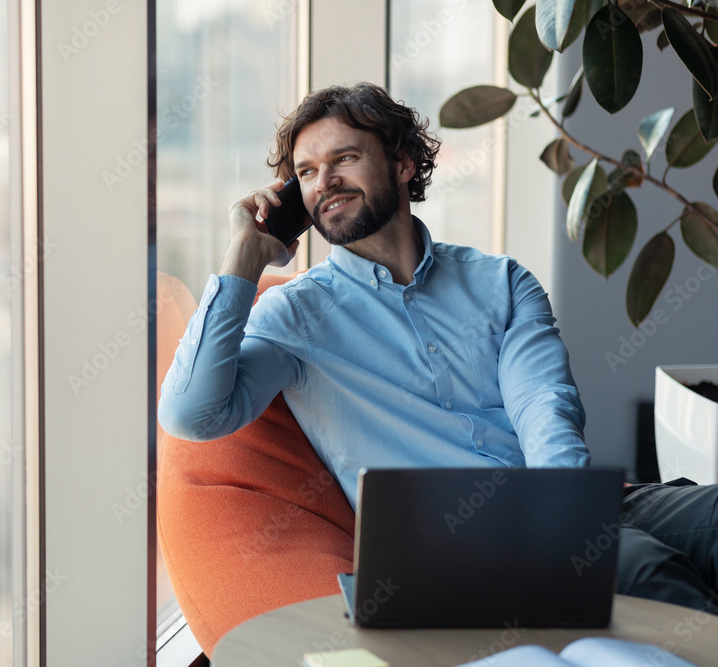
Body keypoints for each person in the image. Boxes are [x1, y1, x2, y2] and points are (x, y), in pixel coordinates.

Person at [158, 82, 718, 614]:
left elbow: (543, 404)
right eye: (306, 172)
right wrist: (244, 254)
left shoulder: (500, 281)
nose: (324, 181)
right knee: (646, 571)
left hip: (561, 498)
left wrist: (569, 510)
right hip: (456, 544)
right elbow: (191, 415)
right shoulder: (294, 316)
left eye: (344, 159)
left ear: (403, 163)